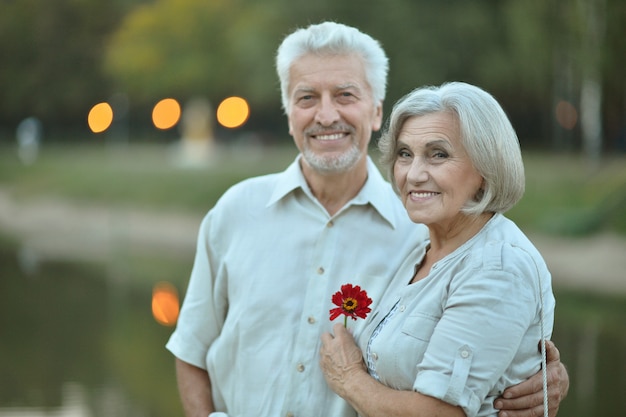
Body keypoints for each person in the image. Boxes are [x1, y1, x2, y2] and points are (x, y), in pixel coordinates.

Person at [166, 22, 569, 417]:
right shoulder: (236, 211)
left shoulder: (422, 228)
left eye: (345, 95)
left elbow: (484, 331)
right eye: (307, 98)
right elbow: (191, 349)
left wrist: (540, 374)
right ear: (289, 113)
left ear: (376, 111)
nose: (326, 115)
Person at [319, 82, 558, 417]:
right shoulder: (421, 247)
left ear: (485, 171)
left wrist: (348, 379)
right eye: (405, 154)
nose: (414, 174)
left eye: (438, 154)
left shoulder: (498, 268)